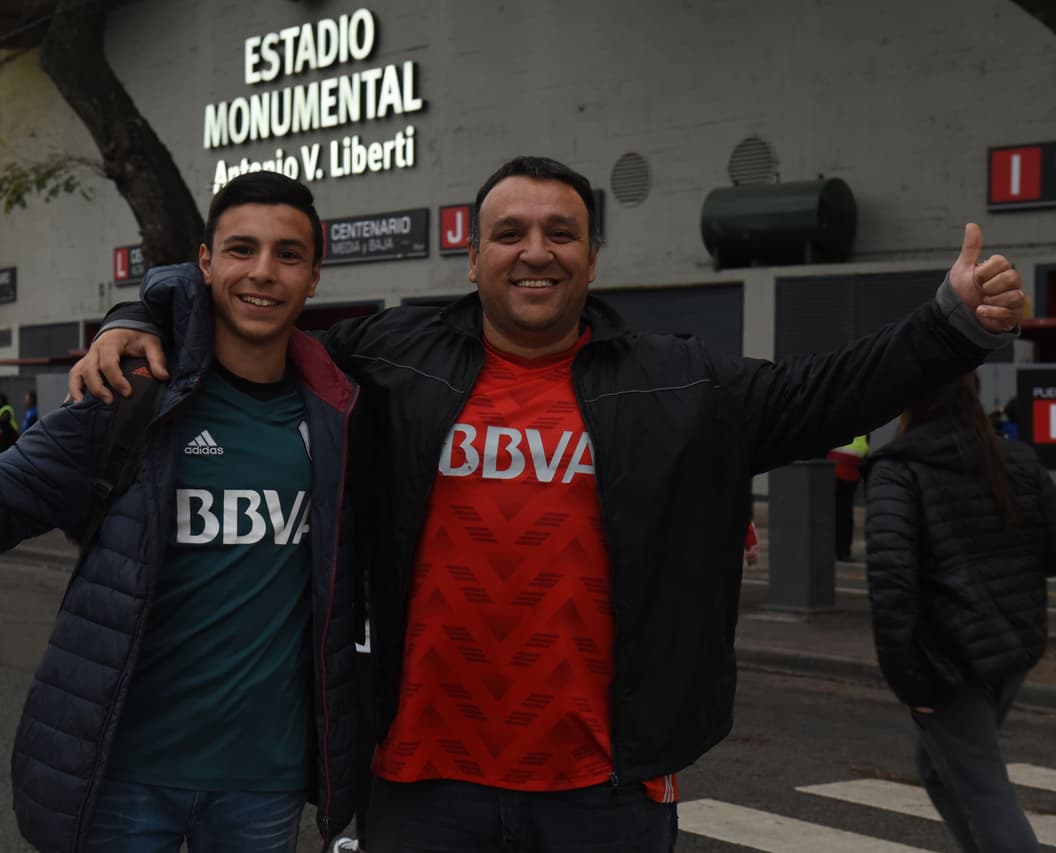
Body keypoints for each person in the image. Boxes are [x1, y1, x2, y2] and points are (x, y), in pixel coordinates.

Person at [75, 156, 1024, 853]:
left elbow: (826, 392)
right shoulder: (390, 358)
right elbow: (251, 304)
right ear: (475, 255)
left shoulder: (676, 379)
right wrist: (136, 312)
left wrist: (946, 324)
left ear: (592, 259)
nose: (536, 252)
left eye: (560, 233)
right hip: (420, 784)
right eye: (511, 233)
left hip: (603, 791)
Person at [0, 172, 359, 853]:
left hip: (262, 783)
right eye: (241, 249)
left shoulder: (339, 413)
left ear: (316, 273)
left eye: (289, 254)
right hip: (126, 773)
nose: (263, 272)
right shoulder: (129, 395)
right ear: (205, 263)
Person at [863, 371, 1054, 852]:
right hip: (1010, 647)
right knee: (938, 768)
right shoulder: (1015, 461)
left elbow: (890, 584)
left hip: (948, 661)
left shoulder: (898, 469)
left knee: (984, 792)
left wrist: (910, 682)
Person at [827, 434, 869, 561]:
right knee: (845, 515)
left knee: (830, 514)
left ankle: (831, 549)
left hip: (832, 471)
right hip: (850, 475)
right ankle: (843, 552)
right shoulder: (863, 428)